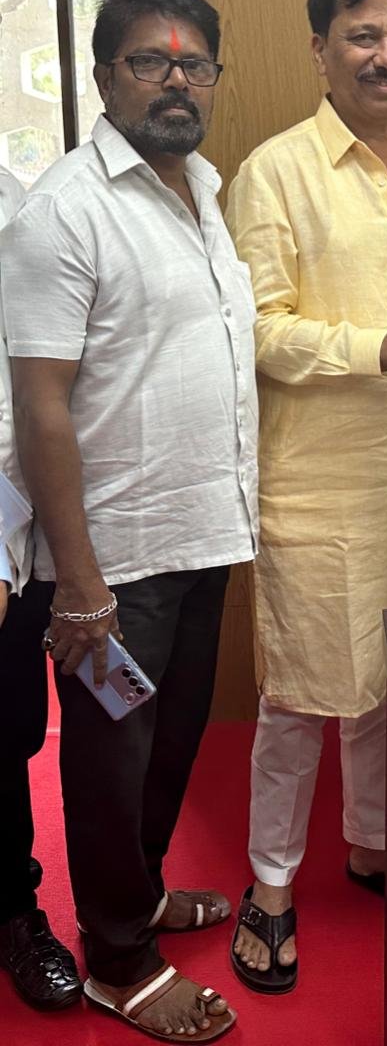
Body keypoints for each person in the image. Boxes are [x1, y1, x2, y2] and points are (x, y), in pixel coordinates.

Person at [0, 0, 258, 1041]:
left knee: (169, 742)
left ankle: (139, 896)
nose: (177, 81)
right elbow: (40, 405)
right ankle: (116, 956)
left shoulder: (202, 187)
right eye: (151, 62)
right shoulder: (64, 211)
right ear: (105, 76)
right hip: (114, 558)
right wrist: (81, 581)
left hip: (200, 531)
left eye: (196, 64)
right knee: (110, 758)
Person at [225, 0, 387, 992]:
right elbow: (255, 330)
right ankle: (271, 883)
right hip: (318, 480)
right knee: (300, 694)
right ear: (319, 50)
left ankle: (373, 843)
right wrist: (377, 343)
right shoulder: (272, 170)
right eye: (363, 35)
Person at [0, 163, 82, 1012]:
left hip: (6, 530)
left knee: (4, 735)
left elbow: (19, 397)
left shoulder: (13, 202)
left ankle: (12, 912)